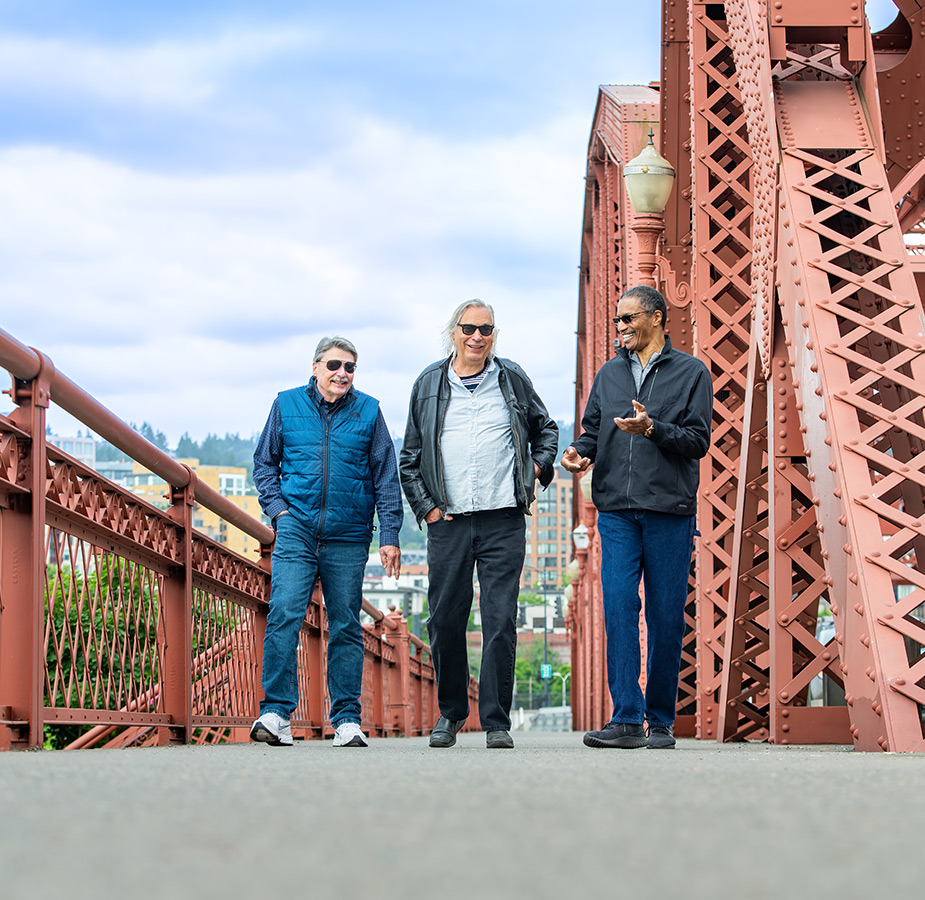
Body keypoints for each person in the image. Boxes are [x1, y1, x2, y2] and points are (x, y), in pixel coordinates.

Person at [400, 299, 558, 749]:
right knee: (445, 620)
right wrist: (428, 508)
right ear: (453, 332)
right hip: (447, 520)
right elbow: (409, 457)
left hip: (503, 518)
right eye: (468, 328)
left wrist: (537, 469)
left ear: (494, 335)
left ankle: (496, 721)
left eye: (486, 330)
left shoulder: (511, 378)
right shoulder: (428, 382)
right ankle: (450, 714)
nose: (477, 337)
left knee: (500, 620)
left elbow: (546, 429)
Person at [561, 285, 712, 750]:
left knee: (666, 616)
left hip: (669, 510)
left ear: (657, 318)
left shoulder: (691, 373)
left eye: (628, 319)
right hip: (617, 511)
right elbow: (592, 432)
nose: (621, 327)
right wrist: (577, 453)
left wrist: (652, 429)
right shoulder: (608, 375)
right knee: (619, 609)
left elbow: (697, 441)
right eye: (617, 320)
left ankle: (661, 720)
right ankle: (626, 718)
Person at [250, 336, 402, 748]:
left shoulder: (369, 411)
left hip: (349, 535)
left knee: (346, 624)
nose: (342, 373)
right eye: (335, 364)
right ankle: (277, 713)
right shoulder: (285, 404)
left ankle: (347, 719)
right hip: (296, 528)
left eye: (350, 367)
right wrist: (278, 510)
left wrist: (389, 535)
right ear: (316, 366)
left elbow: (386, 476)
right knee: (284, 613)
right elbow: (265, 463)